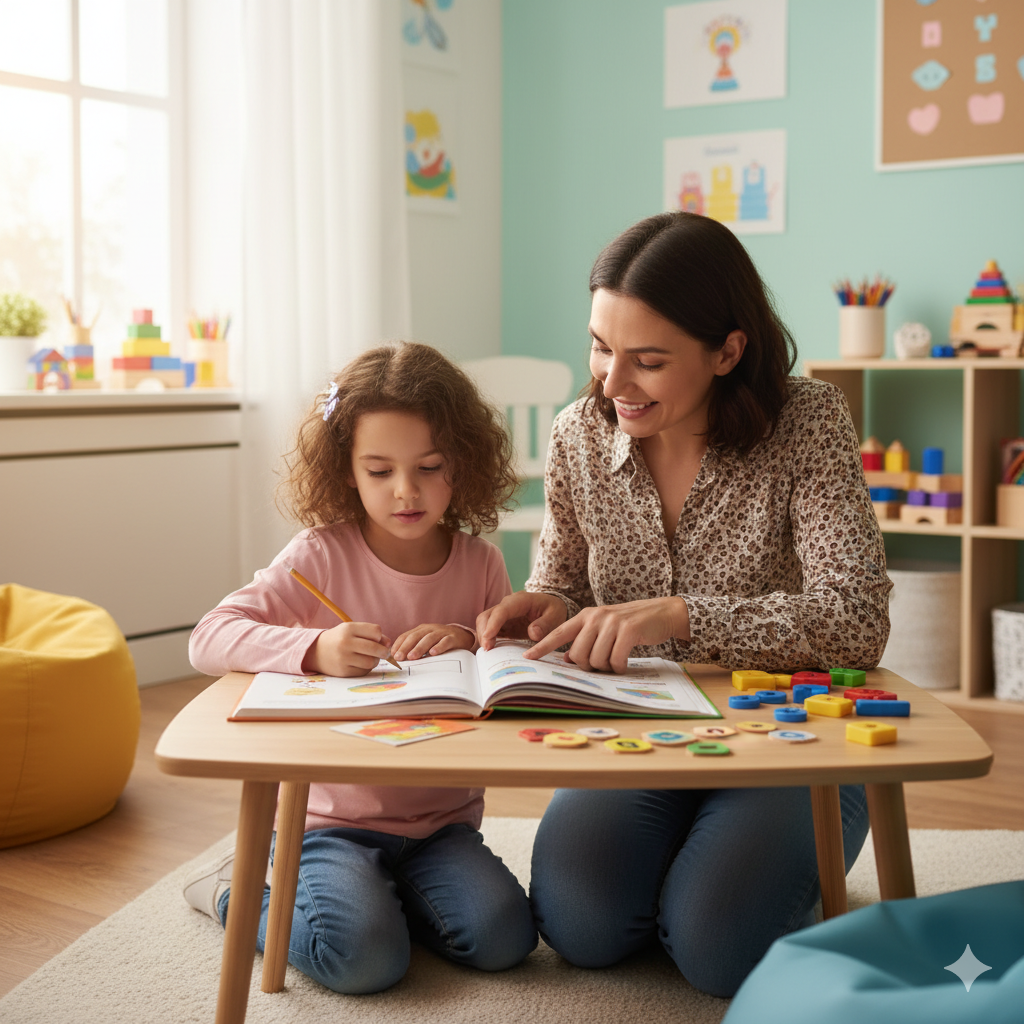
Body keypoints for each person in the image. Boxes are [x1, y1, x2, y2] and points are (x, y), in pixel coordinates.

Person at [476, 211, 892, 997]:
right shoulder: (576, 437)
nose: (611, 381)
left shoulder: (807, 424)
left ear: (727, 351)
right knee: (580, 929)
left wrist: (683, 615)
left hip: (790, 739)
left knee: (717, 949)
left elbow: (857, 618)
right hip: (643, 728)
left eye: (648, 361)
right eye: (600, 346)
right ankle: (702, 866)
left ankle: (732, 879)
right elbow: (564, 578)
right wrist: (543, 601)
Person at [184, 342, 537, 993]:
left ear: (462, 462)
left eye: (430, 467)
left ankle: (386, 906)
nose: (406, 491)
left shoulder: (480, 563)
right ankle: (235, 894)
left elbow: (501, 673)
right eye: (380, 471)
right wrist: (313, 650)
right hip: (332, 826)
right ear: (346, 469)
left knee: (505, 940)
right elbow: (209, 638)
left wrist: (468, 635)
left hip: (442, 827)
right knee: (364, 961)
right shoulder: (318, 555)